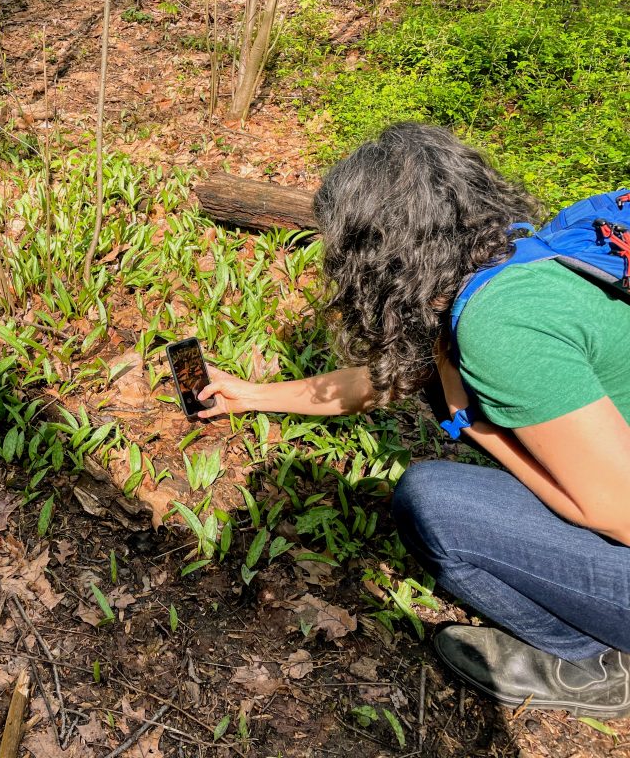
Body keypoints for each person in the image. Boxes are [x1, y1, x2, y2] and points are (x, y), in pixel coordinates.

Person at [197, 122, 630, 718]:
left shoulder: (502, 322)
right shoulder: (519, 254)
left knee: (434, 504)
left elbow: (619, 512)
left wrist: (469, 423)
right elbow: (394, 376)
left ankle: (596, 664)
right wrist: (249, 395)